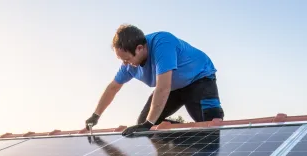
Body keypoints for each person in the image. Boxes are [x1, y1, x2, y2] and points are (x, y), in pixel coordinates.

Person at [85, 24, 225, 136]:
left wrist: (149, 123)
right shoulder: (128, 66)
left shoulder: (162, 43)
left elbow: (163, 87)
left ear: (139, 48)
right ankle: (186, 145)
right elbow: (113, 88)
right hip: (173, 89)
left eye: (127, 59)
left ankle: (203, 134)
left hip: (199, 79)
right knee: (143, 124)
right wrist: (95, 115)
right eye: (122, 60)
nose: (125, 64)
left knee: (211, 125)